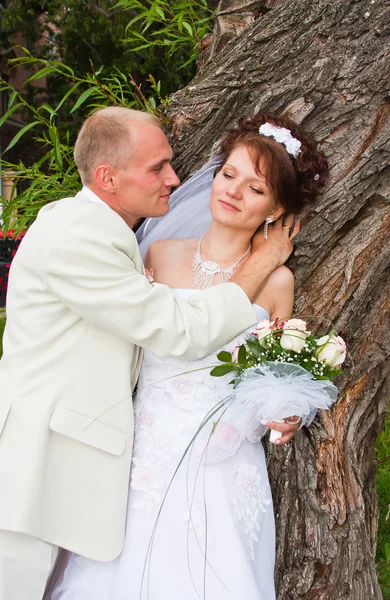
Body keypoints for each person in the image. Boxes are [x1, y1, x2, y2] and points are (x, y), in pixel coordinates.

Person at [0, 107, 300, 600]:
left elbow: (268, 372)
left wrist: (281, 406)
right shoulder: (83, 238)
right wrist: (264, 260)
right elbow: (180, 330)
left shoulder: (112, 236)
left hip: (189, 460)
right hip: (38, 465)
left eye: (256, 188)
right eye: (158, 167)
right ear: (108, 177)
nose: (175, 178)